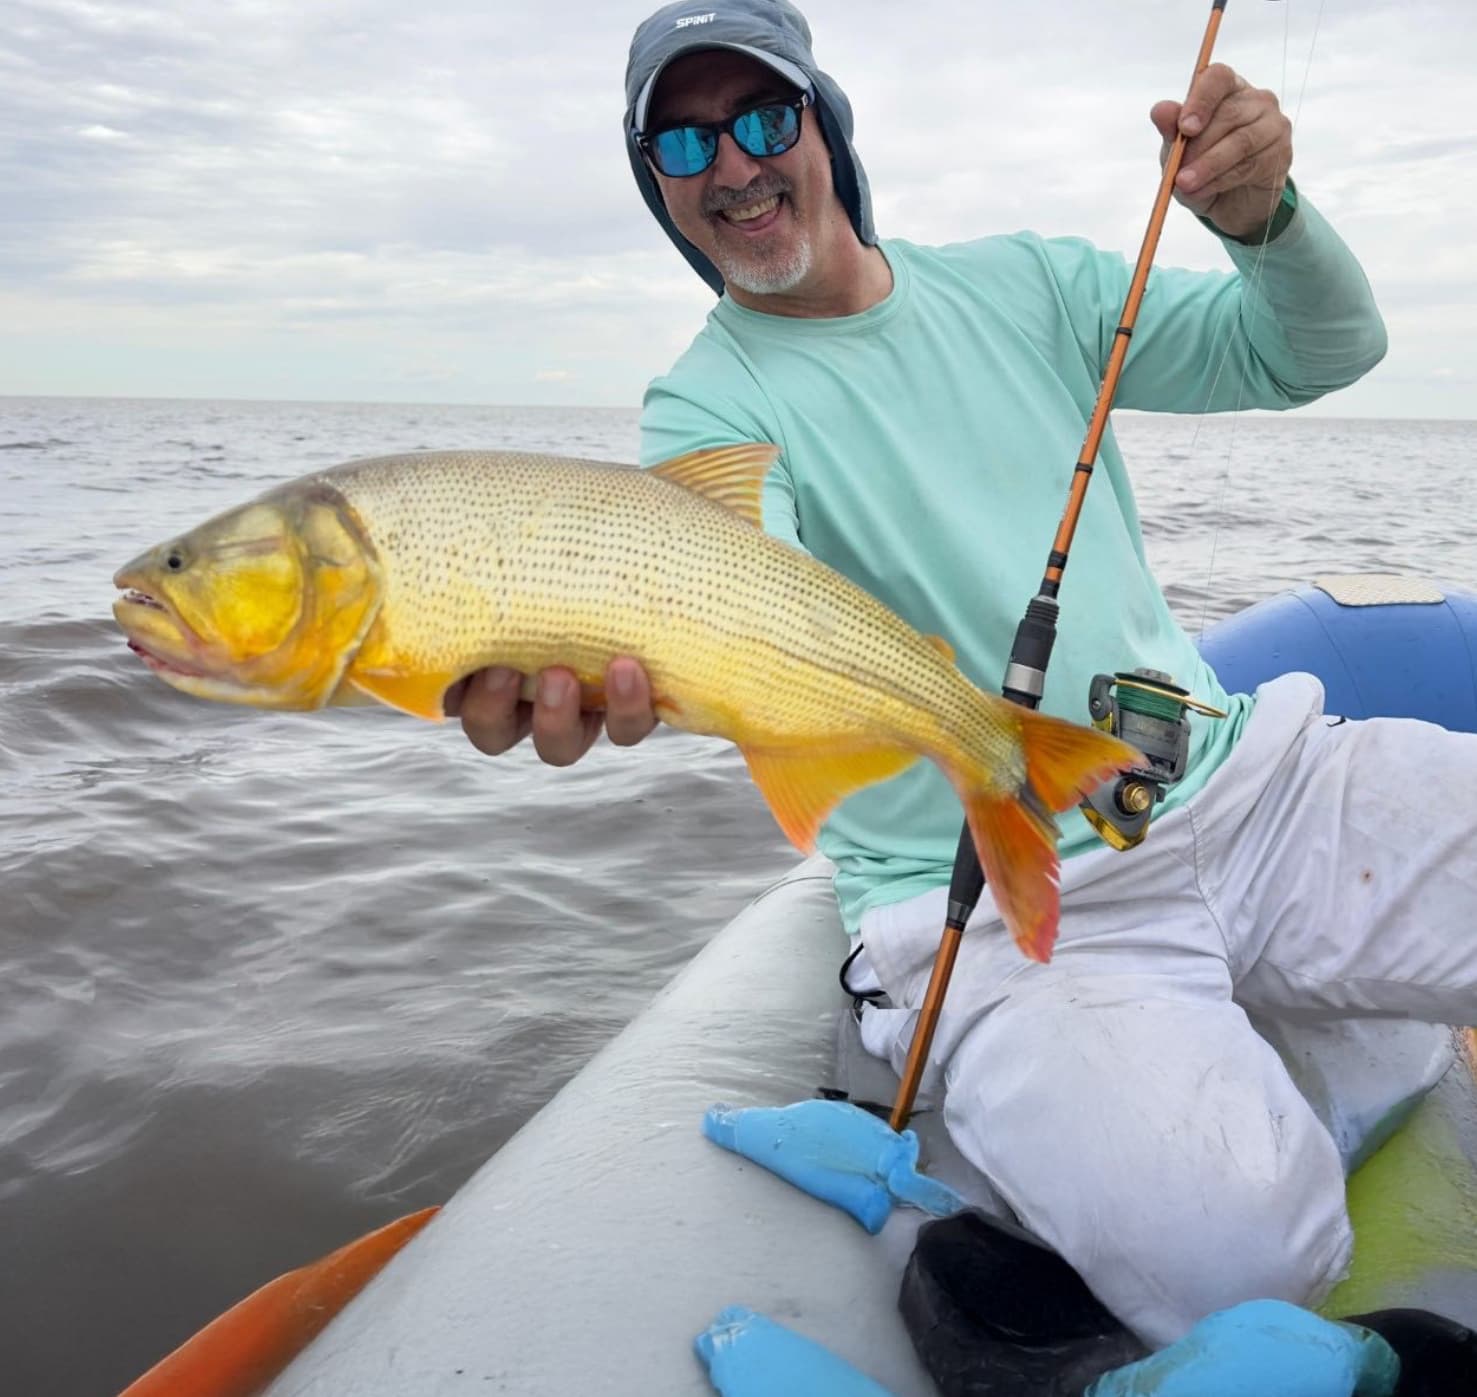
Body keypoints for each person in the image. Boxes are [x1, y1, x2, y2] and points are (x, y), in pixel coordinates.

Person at [446, 0, 1477, 1352]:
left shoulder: (1028, 284)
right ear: (656, 184)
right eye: (683, 142)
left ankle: (1308, 1038)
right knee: (1243, 1257)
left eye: (763, 117)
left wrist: (1264, 218)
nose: (734, 166)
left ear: (826, 126)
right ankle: (1318, 1054)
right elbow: (731, 596)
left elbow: (1314, 348)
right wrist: (607, 653)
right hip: (993, 903)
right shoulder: (705, 411)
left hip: (1245, 784)